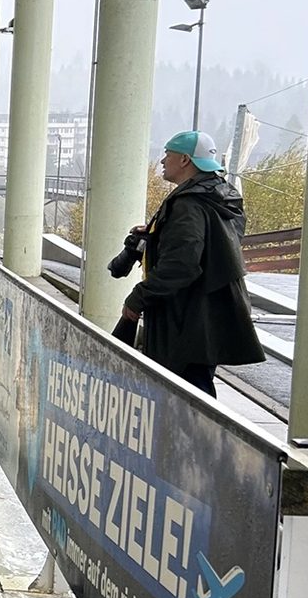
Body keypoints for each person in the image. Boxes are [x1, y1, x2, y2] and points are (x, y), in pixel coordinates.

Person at [109, 130, 264, 397]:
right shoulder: (220, 198)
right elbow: (212, 248)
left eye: (167, 155)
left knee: (186, 396)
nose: (162, 162)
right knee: (197, 387)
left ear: (184, 160)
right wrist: (158, 237)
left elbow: (183, 263)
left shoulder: (189, 204)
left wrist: (139, 297)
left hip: (186, 318)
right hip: (210, 314)